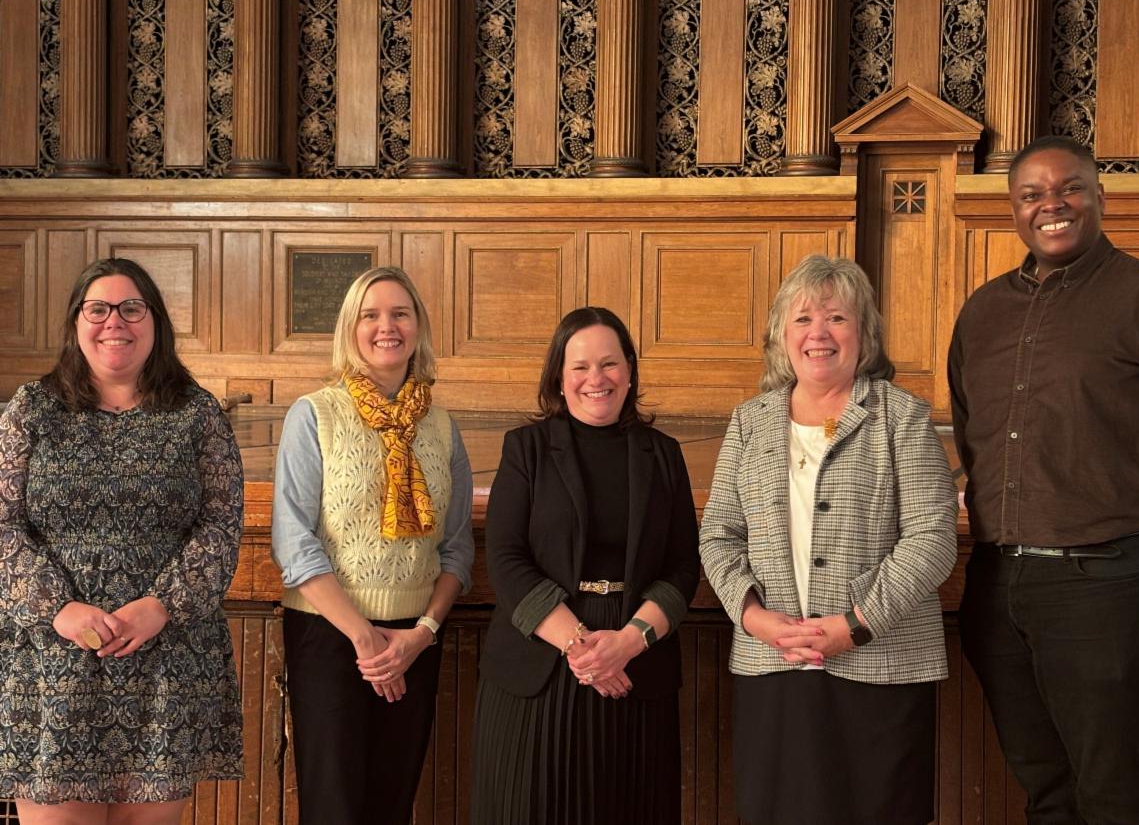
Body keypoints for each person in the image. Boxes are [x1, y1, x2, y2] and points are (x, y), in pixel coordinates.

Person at [949, 135, 1139, 824]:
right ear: (1013, 209)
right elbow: (972, 433)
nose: (1051, 205)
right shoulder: (982, 312)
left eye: (1068, 189)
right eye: (1032, 194)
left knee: (1114, 794)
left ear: (1099, 197)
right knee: (1046, 790)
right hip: (999, 586)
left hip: (1111, 580)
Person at [700, 254, 958, 825]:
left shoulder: (902, 417)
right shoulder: (750, 421)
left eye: (836, 318)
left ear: (863, 333)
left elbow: (932, 536)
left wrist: (856, 624)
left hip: (881, 666)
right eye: (802, 319)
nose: (818, 333)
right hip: (774, 663)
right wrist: (754, 618)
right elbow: (718, 534)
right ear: (780, 336)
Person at [0, 257, 244, 824]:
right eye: (99, 309)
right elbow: (3, 523)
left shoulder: (197, 414)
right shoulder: (31, 411)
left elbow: (220, 523)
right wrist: (56, 608)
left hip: (165, 657)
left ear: (155, 322)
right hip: (54, 658)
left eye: (132, 308)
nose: (116, 322)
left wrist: (162, 606)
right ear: (76, 322)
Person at [470, 307, 700, 825]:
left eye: (609, 364)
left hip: (635, 673)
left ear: (630, 370)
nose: (596, 379)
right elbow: (506, 559)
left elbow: (683, 567)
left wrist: (627, 642)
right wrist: (582, 648)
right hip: (540, 673)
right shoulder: (525, 449)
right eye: (580, 367)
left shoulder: (664, 455)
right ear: (558, 376)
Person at [271, 265, 473, 824]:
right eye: (371, 315)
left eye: (400, 313)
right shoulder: (314, 414)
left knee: (393, 802)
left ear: (419, 328)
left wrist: (420, 636)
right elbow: (294, 541)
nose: (387, 326)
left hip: (414, 639)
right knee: (333, 807)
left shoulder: (442, 425)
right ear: (349, 329)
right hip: (331, 638)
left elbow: (455, 549)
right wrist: (365, 640)